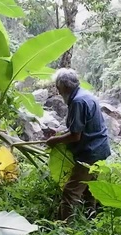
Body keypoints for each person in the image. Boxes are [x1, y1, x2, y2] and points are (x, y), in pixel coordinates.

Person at [46, 68, 111, 222]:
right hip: (100, 149)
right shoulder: (86, 95)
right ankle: (91, 219)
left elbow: (76, 136)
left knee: (70, 192)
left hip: (90, 152)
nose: (58, 91)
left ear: (64, 87)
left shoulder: (77, 101)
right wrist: (61, 131)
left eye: (58, 87)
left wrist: (55, 141)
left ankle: (64, 229)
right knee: (90, 188)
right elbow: (82, 126)